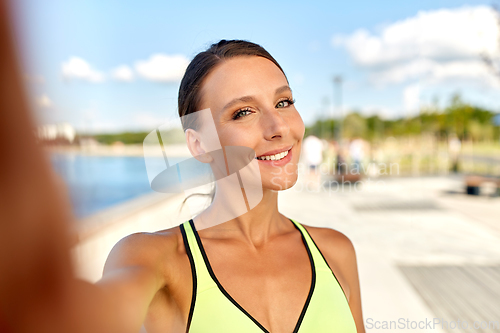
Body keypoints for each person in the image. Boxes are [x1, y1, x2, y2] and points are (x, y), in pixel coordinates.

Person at [0, 6, 365, 329]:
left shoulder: (335, 251)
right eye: (244, 112)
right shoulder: (155, 259)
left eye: (283, 102)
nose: (279, 127)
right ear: (199, 144)